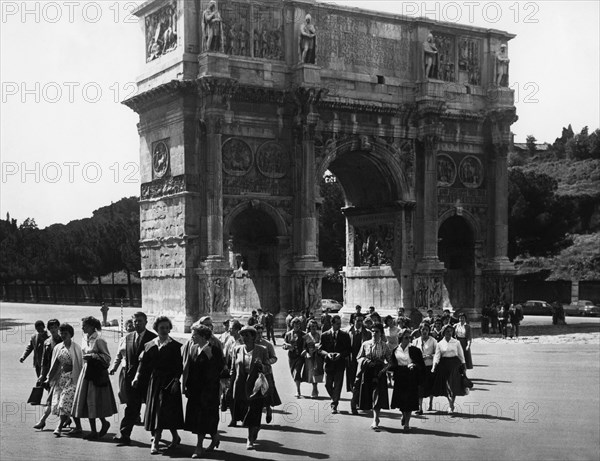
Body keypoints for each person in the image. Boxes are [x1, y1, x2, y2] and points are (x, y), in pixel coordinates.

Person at [132, 316, 184, 455]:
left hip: (169, 383)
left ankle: (161, 440)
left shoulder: (175, 346)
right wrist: (137, 377)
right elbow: (143, 365)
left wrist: (175, 382)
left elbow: (179, 367)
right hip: (154, 382)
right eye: (162, 328)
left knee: (167, 412)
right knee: (158, 411)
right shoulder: (149, 345)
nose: (165, 330)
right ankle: (166, 438)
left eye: (167, 328)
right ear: (156, 329)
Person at [111, 311, 157, 446]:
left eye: (140, 321)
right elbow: (127, 358)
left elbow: (153, 361)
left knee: (151, 408)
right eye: (135, 321)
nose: (137, 324)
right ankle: (125, 434)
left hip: (147, 379)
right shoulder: (128, 337)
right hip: (131, 380)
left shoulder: (152, 338)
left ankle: (156, 436)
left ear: (146, 322)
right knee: (131, 407)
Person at [72, 316, 118, 440]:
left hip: (96, 373)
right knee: (87, 401)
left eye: (85, 325)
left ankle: (102, 423)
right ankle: (94, 429)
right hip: (86, 372)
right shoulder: (84, 338)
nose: (82, 327)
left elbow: (107, 358)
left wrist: (93, 356)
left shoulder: (99, 340)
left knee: (94, 400)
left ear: (92, 326)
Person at [183, 324, 224, 458]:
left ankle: (199, 447)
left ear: (202, 336)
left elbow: (219, 370)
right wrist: (187, 387)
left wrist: (210, 357)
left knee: (204, 418)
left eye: (194, 334)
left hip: (209, 391)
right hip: (195, 390)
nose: (192, 337)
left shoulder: (215, 350)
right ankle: (215, 436)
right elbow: (190, 369)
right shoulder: (193, 348)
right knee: (199, 418)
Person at [229, 326, 270, 450]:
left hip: (255, 385)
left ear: (253, 337)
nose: (244, 337)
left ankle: (250, 439)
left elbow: (268, 368)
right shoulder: (237, 349)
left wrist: (262, 366)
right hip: (241, 384)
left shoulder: (262, 350)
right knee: (244, 413)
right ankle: (255, 428)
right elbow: (233, 369)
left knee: (254, 412)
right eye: (242, 335)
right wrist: (229, 385)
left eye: (247, 335)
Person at [46, 323, 84, 437]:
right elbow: (55, 364)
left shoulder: (76, 348)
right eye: (61, 333)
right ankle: (78, 427)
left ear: (71, 334)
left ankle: (59, 427)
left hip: (73, 379)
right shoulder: (58, 347)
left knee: (64, 402)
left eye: (65, 333)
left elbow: (80, 364)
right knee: (69, 404)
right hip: (61, 379)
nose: (63, 335)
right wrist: (49, 378)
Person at [355, 322, 391, 430]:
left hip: (379, 373)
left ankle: (375, 419)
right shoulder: (365, 344)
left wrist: (383, 369)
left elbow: (390, 362)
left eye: (377, 332)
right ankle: (373, 415)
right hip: (368, 371)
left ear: (381, 333)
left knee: (377, 395)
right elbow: (359, 357)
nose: (374, 334)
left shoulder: (384, 346)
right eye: (373, 331)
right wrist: (365, 361)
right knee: (368, 394)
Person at [390, 329, 425, 431]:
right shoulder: (396, 350)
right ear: (401, 338)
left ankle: (407, 424)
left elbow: (421, 365)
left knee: (409, 401)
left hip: (411, 376)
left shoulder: (415, 350)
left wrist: (414, 364)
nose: (408, 339)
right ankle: (404, 415)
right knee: (401, 401)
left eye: (410, 337)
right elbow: (393, 364)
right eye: (406, 337)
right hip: (400, 377)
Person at [431, 324, 467, 414]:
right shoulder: (440, 344)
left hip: (455, 364)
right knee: (446, 385)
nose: (449, 333)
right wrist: (434, 366)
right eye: (447, 331)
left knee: (453, 385)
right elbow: (437, 356)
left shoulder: (456, 342)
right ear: (443, 332)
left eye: (451, 331)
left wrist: (464, 365)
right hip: (444, 365)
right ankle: (450, 402)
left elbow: (461, 354)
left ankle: (451, 404)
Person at [318, 315, 351, 414]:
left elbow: (348, 349)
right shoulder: (324, 335)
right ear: (332, 324)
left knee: (338, 385)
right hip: (328, 364)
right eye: (337, 324)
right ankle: (334, 397)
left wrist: (340, 355)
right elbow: (320, 350)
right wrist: (327, 354)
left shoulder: (345, 335)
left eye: (340, 324)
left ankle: (334, 404)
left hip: (340, 364)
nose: (339, 326)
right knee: (327, 385)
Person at [33, 319, 62, 430]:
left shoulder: (63, 340)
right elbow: (44, 361)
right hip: (51, 374)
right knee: (51, 398)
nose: (53, 330)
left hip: (61, 373)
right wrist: (42, 375)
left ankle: (43, 421)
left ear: (58, 328)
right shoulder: (47, 342)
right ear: (48, 329)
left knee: (58, 399)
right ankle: (65, 420)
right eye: (51, 328)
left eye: (55, 327)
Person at [254, 323, 281, 423]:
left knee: (268, 393)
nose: (259, 335)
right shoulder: (251, 344)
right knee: (255, 393)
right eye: (257, 333)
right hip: (254, 372)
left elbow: (274, 358)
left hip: (266, 372)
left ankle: (268, 409)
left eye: (261, 333)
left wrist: (267, 362)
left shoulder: (267, 344)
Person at [347, 314, 372, 414]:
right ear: (354, 320)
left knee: (360, 382)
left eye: (362, 320)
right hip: (352, 361)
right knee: (352, 382)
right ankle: (356, 400)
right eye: (358, 320)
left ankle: (355, 403)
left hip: (362, 362)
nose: (360, 322)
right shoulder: (348, 332)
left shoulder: (367, 333)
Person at [412, 323, 437, 414]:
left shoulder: (433, 341)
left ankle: (430, 403)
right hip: (419, 367)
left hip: (429, 366)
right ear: (420, 331)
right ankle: (420, 407)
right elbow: (412, 353)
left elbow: (437, 354)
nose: (425, 331)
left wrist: (430, 356)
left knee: (430, 385)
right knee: (419, 387)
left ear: (429, 331)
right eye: (423, 329)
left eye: (426, 329)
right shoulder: (416, 341)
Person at [283, 317, 307, 397]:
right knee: (293, 372)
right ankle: (297, 386)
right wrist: (287, 346)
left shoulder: (304, 334)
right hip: (291, 357)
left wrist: (305, 350)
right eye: (295, 324)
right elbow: (284, 345)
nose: (297, 326)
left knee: (297, 372)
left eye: (298, 324)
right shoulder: (288, 334)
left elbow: (309, 344)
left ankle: (298, 390)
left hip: (300, 356)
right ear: (292, 325)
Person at [303, 319, 324, 398]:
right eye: (312, 327)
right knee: (311, 373)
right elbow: (304, 347)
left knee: (317, 372)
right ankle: (314, 388)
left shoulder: (319, 335)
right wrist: (306, 353)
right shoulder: (306, 336)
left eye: (315, 326)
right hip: (310, 357)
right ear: (309, 327)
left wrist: (318, 347)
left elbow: (322, 345)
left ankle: (315, 388)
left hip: (317, 356)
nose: (313, 328)